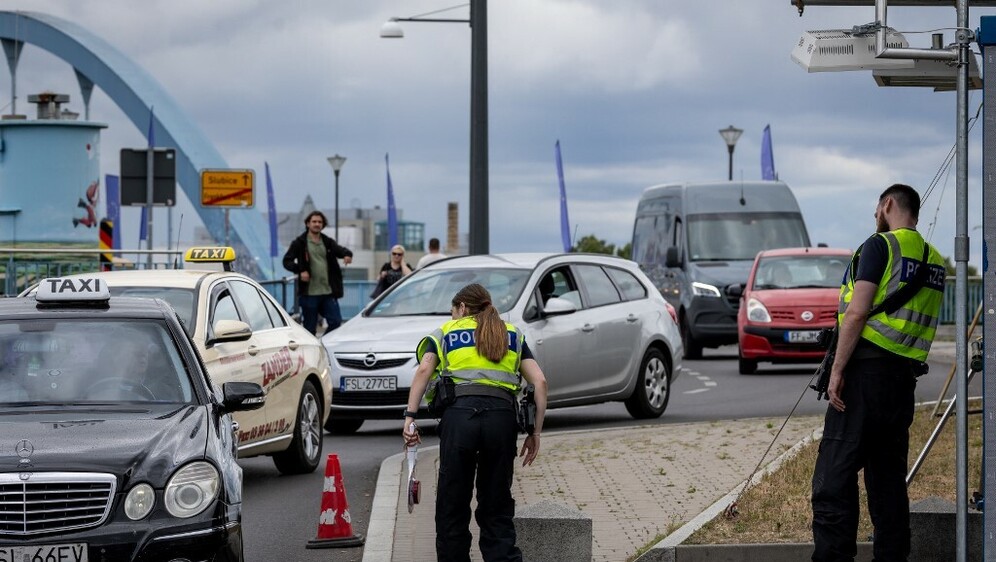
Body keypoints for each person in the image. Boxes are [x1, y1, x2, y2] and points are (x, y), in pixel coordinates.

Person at [811, 183, 946, 562]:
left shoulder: (879, 246)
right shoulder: (935, 260)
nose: (876, 218)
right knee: (887, 485)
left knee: (833, 481)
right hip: (901, 385)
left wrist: (836, 370)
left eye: (877, 210)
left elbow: (857, 311)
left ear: (887, 205)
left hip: (863, 378)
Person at [403, 283, 548, 562]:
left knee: (452, 504)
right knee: (496, 504)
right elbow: (540, 382)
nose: (453, 317)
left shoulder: (446, 331)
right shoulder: (512, 334)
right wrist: (535, 433)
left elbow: (424, 369)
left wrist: (410, 418)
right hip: (501, 420)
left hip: (459, 418)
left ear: (461, 308)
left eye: (453, 311)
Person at [282, 210, 353, 335]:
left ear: (323, 225)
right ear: (308, 224)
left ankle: (322, 344)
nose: (317, 224)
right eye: (314, 221)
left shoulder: (327, 242)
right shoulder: (299, 243)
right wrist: (300, 270)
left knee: (336, 322)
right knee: (310, 328)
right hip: (309, 293)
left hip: (327, 292)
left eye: (320, 222)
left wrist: (347, 255)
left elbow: (341, 250)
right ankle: (313, 351)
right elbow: (286, 261)